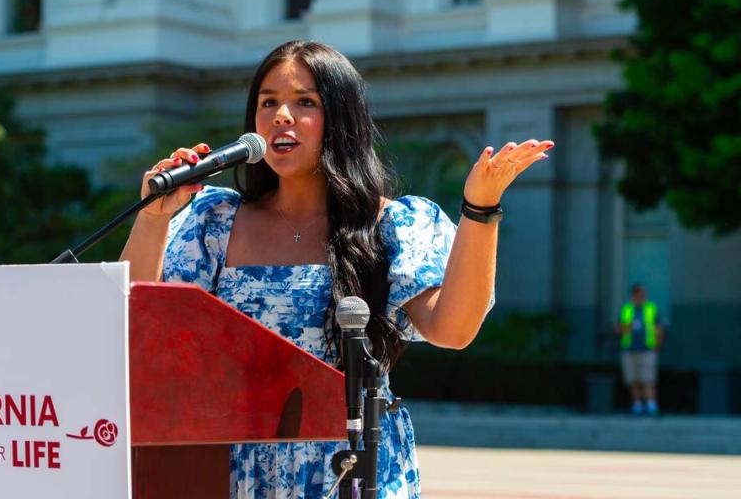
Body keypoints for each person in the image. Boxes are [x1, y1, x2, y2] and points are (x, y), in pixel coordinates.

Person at [120, 40, 554, 498]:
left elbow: (453, 329)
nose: (281, 115)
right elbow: (133, 325)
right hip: (232, 462)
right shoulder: (213, 220)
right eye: (268, 102)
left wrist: (480, 209)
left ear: (341, 120)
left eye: (304, 102)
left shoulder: (390, 225)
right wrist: (153, 217)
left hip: (353, 462)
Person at [615, 283, 665, 416]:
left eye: (644, 294)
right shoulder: (626, 309)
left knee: (648, 379)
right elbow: (618, 329)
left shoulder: (651, 308)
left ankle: (651, 405)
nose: (642, 297)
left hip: (647, 349)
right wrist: (626, 327)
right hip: (629, 349)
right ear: (633, 295)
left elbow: (659, 328)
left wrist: (658, 345)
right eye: (639, 294)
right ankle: (637, 405)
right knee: (633, 379)